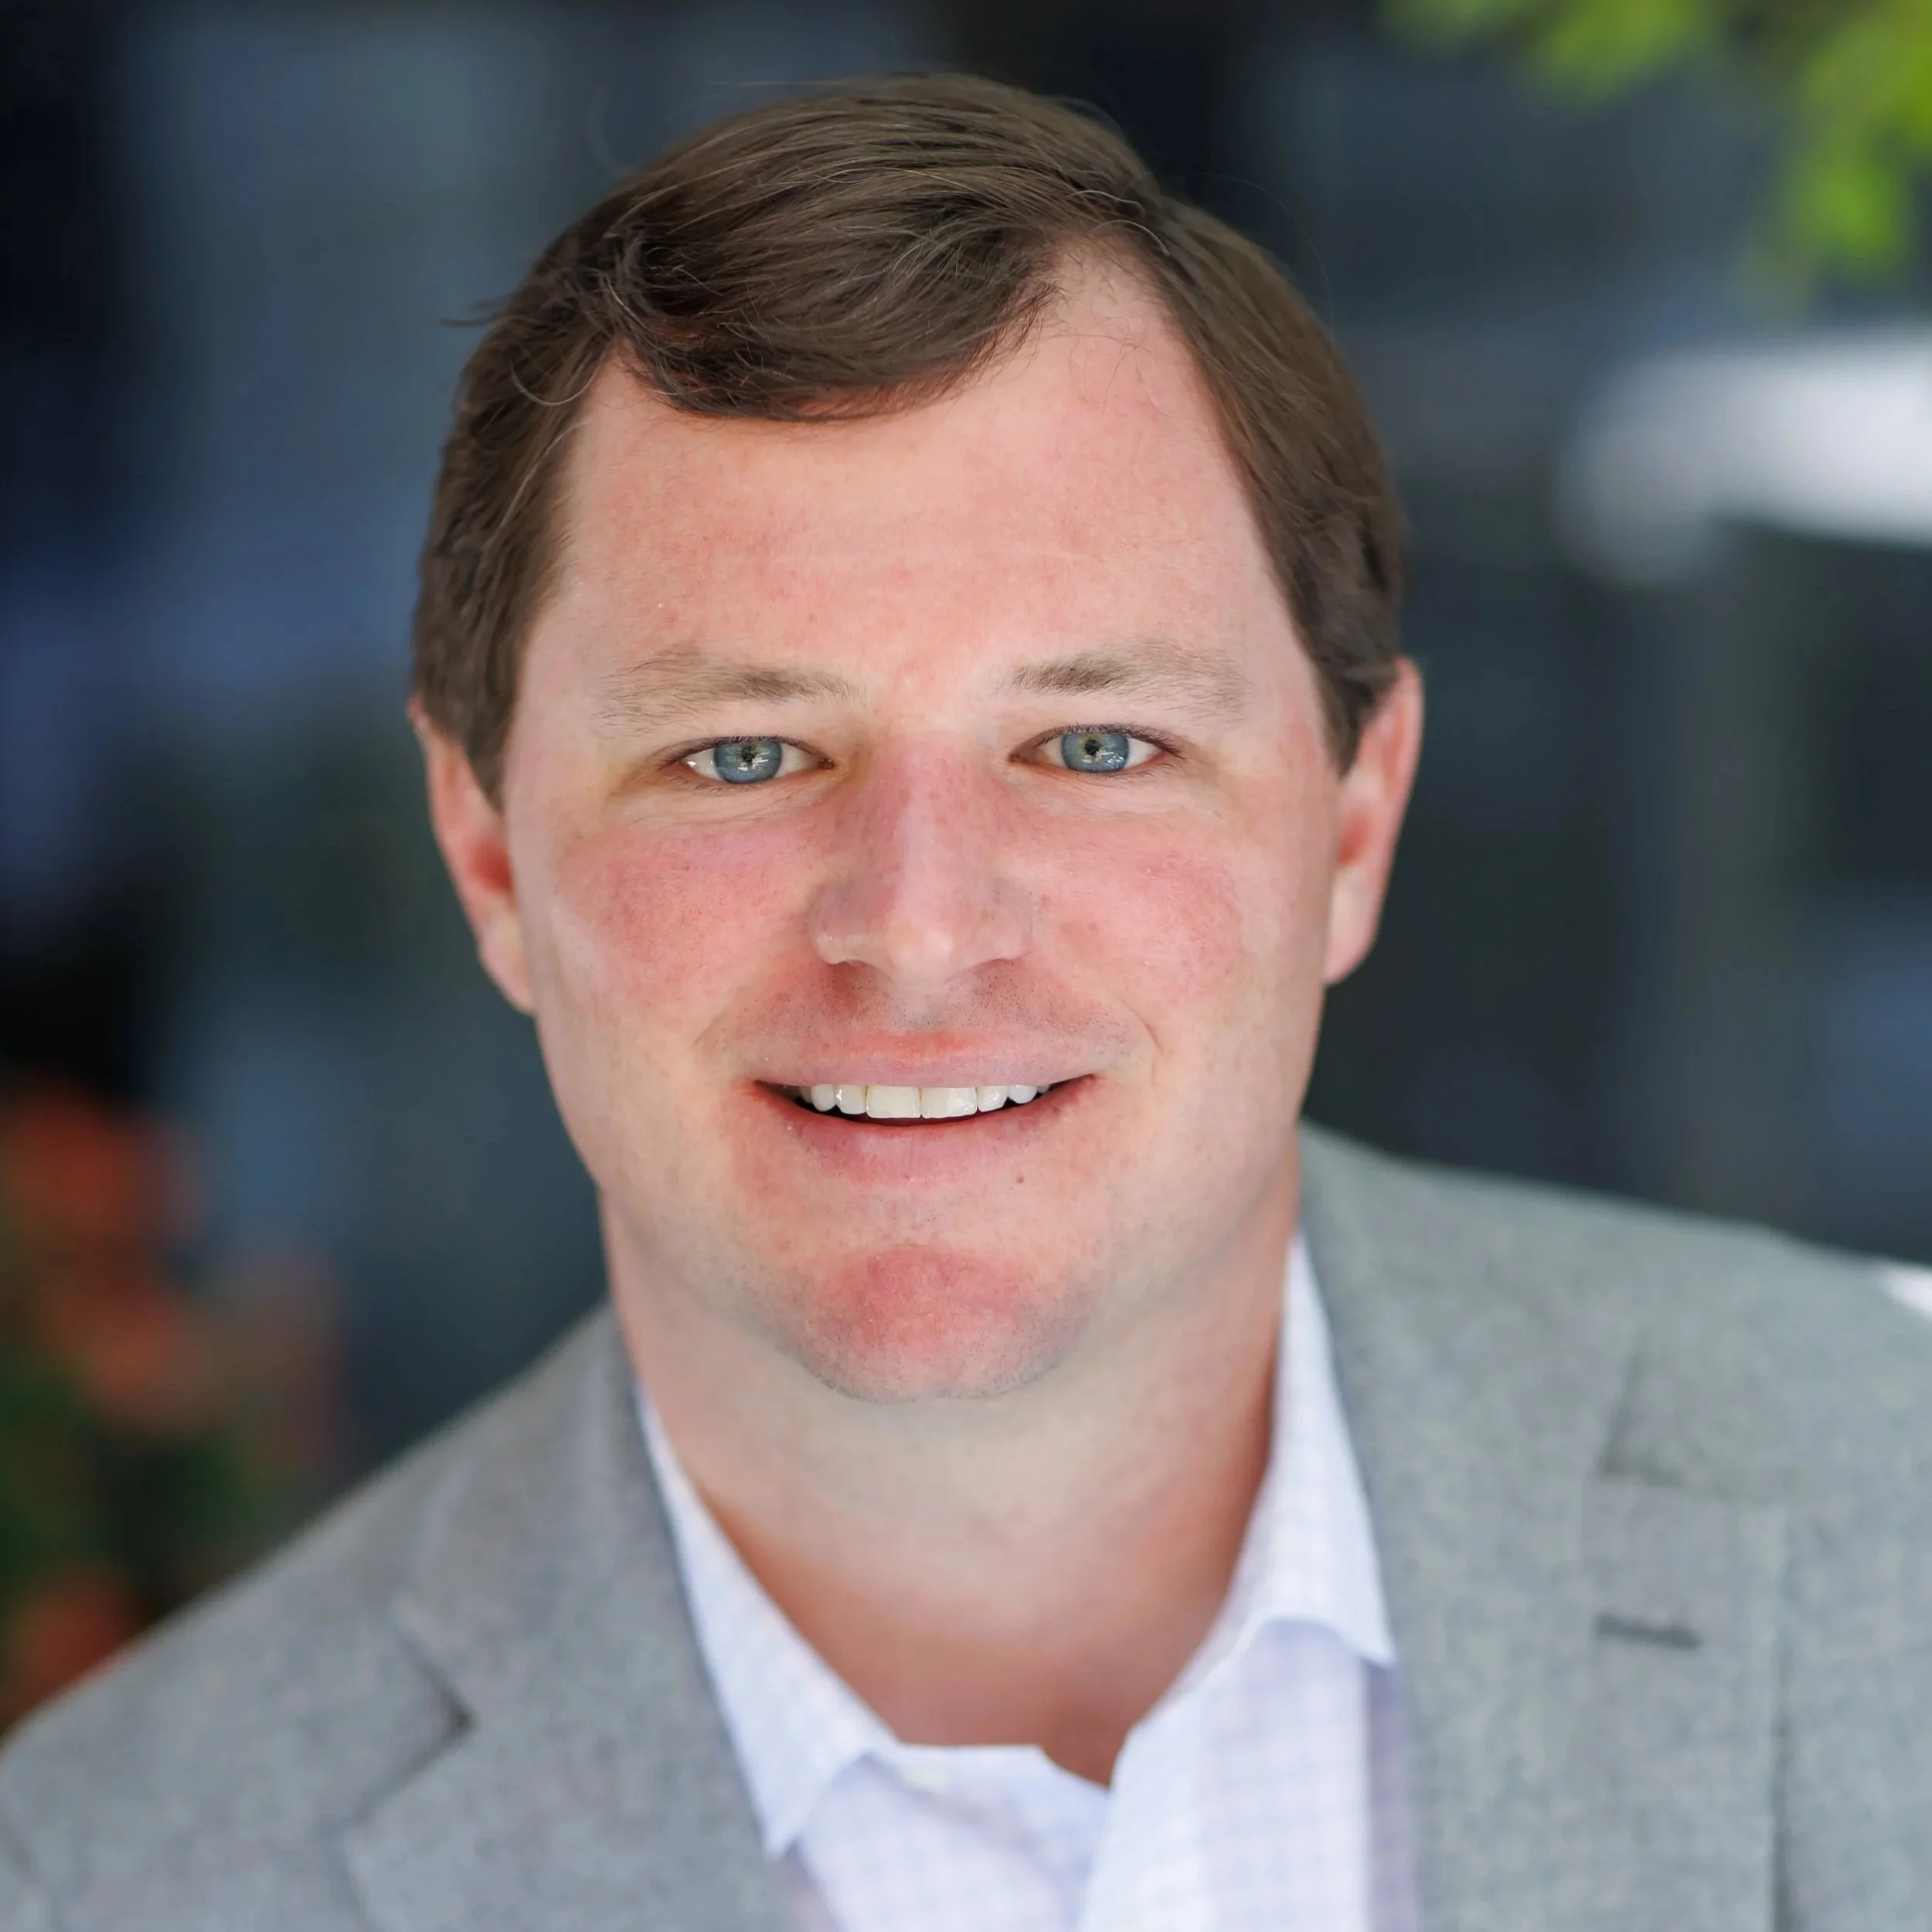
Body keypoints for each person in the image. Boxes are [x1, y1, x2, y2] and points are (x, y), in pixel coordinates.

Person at [2, 73, 1927, 1932]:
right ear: (490, 850)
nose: (915, 931)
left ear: (1354, 824)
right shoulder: (110, 1874)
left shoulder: (1889, 1507)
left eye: (1095, 739)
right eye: (741, 753)